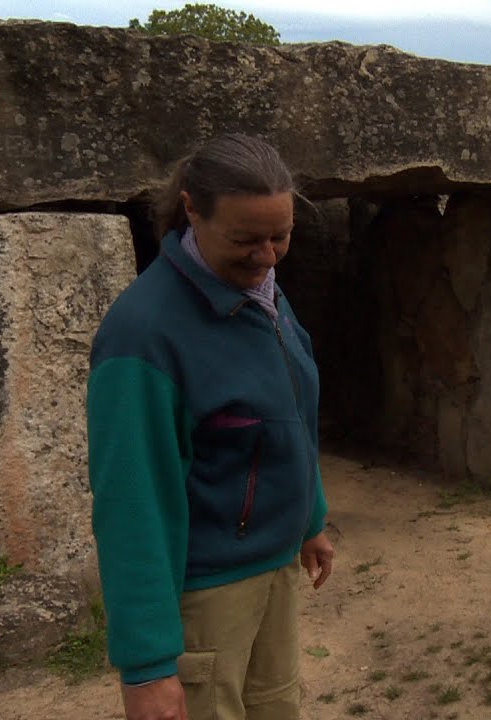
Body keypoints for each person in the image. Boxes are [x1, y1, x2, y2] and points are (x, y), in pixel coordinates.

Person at [86, 133, 334, 720]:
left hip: (271, 572)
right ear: (192, 209)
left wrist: (310, 519)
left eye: (281, 237)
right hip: (205, 594)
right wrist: (147, 666)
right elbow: (130, 501)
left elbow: (289, 415)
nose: (267, 256)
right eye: (246, 239)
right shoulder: (143, 333)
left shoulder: (265, 295)